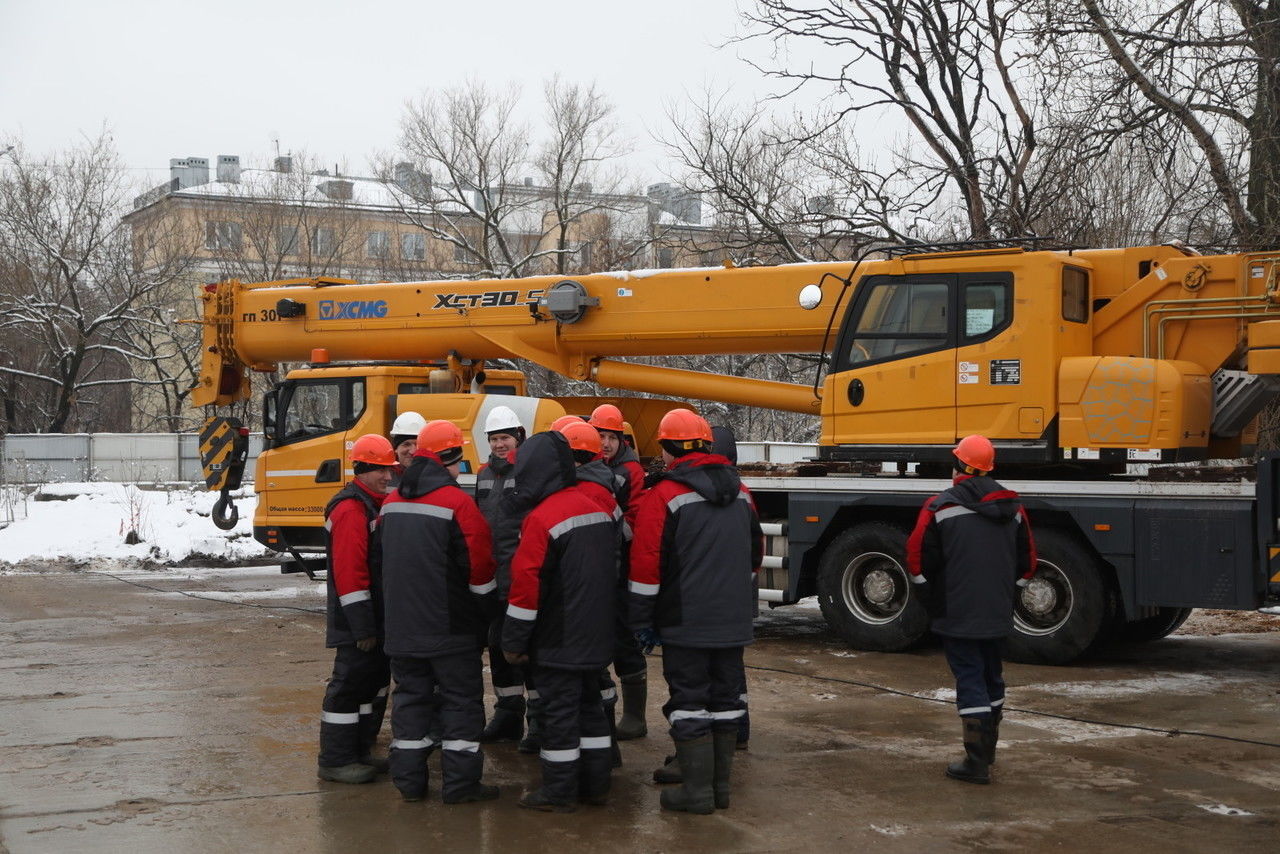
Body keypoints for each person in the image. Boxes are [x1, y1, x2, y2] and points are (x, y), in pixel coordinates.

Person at [629, 409, 763, 815]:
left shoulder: (664, 496)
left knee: (689, 700)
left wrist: (641, 619)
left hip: (685, 620)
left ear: (668, 449)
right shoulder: (741, 491)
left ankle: (697, 792)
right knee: (725, 699)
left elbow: (646, 565)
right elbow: (755, 556)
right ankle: (719, 789)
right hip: (733, 620)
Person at [380, 420, 501, 804]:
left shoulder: (391, 503)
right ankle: (461, 787)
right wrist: (486, 613)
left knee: (410, 702)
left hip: (402, 630)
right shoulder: (458, 504)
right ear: (451, 458)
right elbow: (480, 568)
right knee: (461, 704)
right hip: (451, 629)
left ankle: (410, 784)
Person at [906, 434, 1036, 785]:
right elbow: (1029, 562)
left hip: (957, 611)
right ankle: (988, 752)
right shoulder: (1015, 508)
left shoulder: (940, 506)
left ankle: (976, 763)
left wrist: (927, 596)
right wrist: (1010, 594)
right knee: (992, 676)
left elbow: (917, 558)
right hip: (996, 612)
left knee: (970, 678)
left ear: (959, 466)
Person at [503, 429, 619, 812]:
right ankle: (596, 784)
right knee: (591, 710)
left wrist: (515, 641)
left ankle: (559, 791)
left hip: (558, 638)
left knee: (560, 716)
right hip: (596, 635)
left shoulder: (541, 518)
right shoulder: (596, 507)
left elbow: (525, 587)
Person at [317, 434, 396, 785]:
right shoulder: (352, 508)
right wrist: (362, 627)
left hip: (372, 618)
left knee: (369, 687)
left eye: (389, 469)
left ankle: (359, 751)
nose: (387, 476)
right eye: (380, 470)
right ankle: (335, 760)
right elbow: (350, 573)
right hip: (357, 621)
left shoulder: (371, 503)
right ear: (362, 469)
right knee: (349, 687)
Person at [588, 403, 649, 741]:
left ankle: (634, 717)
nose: (606, 443)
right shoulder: (597, 466)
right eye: (601, 436)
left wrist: (609, 528)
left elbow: (636, 516)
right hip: (602, 562)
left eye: (612, 437)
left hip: (621, 564)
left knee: (623, 637)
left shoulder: (630, 470)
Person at [473, 405, 531, 745]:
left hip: (520, 575)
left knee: (524, 648)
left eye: (505, 437)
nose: (499, 445)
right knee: (497, 645)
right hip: (494, 577)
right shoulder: (482, 474)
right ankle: (508, 715)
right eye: (494, 439)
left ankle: (537, 724)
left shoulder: (527, 471)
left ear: (518, 438)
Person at [388, 411, 427, 480]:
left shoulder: (434, 477)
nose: (413, 451)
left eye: (418, 445)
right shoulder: (384, 480)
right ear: (396, 449)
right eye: (406, 444)